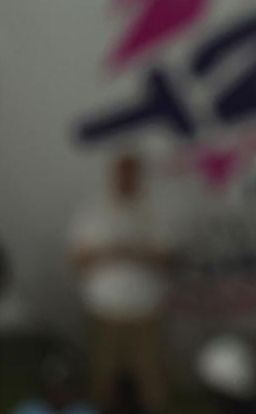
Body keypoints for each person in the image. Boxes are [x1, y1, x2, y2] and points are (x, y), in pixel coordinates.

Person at [69, 153, 172, 414]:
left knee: (149, 376)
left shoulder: (155, 211)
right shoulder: (93, 212)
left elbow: (169, 258)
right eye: (121, 173)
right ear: (113, 176)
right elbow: (78, 261)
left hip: (145, 310)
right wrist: (109, 251)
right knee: (103, 376)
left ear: (139, 177)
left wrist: (135, 252)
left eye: (131, 173)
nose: (126, 179)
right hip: (104, 310)